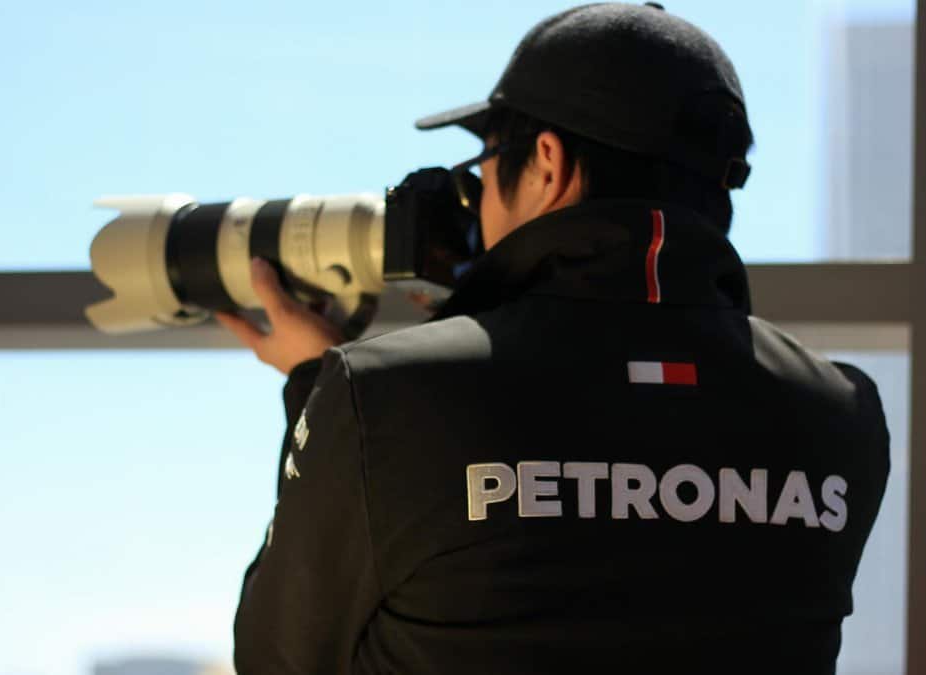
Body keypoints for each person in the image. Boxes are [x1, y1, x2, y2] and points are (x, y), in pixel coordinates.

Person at [220, 3, 890, 673]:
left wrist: (321, 388)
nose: (477, 205)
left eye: (481, 169)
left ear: (546, 163)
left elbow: (276, 658)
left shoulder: (384, 397)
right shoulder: (841, 416)